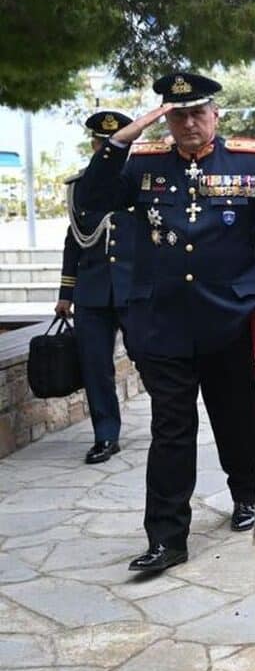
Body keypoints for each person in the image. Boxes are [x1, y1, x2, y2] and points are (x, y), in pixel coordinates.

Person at [78, 72, 255, 573]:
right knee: (171, 427)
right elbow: (93, 198)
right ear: (165, 120)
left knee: (234, 416)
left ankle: (246, 492)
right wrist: (120, 141)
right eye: (178, 116)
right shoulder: (144, 163)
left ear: (215, 114)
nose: (190, 124)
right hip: (163, 321)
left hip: (228, 317)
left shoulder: (248, 161)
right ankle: (167, 537)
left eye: (198, 113)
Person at [57, 110, 136, 465]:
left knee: (152, 358)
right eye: (101, 142)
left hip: (135, 288)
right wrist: (65, 293)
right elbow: (74, 240)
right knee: (95, 366)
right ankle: (106, 434)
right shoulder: (80, 187)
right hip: (92, 290)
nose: (106, 148)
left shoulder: (141, 181)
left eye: (114, 142)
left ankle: (169, 425)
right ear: (93, 144)